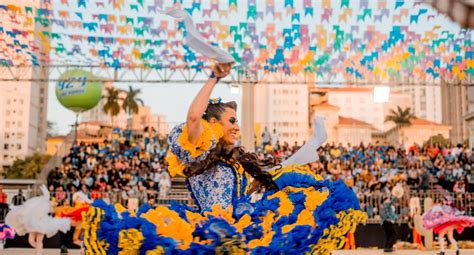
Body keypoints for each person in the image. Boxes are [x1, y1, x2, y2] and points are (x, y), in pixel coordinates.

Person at [5, 185, 70, 255]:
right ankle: (40, 251)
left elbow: (51, 210)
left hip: (42, 224)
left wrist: (53, 205)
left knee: (39, 241)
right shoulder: (33, 205)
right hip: (33, 224)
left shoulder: (46, 204)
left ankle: (39, 253)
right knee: (31, 241)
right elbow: (25, 210)